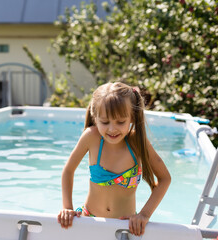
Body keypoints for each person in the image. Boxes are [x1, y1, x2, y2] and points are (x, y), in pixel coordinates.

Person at [57, 82, 171, 236]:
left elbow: (164, 178)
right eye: (105, 122)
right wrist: (67, 208)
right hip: (90, 219)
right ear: (95, 117)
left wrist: (144, 214)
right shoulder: (91, 137)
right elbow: (68, 170)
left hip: (125, 226)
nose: (112, 129)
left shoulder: (137, 141)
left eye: (120, 122)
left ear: (132, 117)